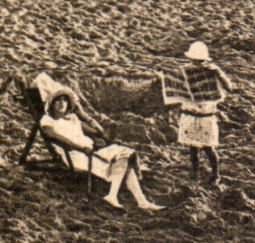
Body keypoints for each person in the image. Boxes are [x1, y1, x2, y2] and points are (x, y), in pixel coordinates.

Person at [38, 89, 162, 211]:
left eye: (64, 100)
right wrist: (80, 147)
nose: (61, 103)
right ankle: (128, 199)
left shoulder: (72, 119)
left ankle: (135, 200)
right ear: (51, 104)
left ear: (69, 105)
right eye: (57, 100)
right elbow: (55, 136)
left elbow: (99, 132)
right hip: (75, 155)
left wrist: (83, 115)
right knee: (123, 159)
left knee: (124, 157)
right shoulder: (47, 120)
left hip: (89, 153)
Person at [165, 41, 234, 187]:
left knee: (208, 147)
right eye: (195, 61)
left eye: (199, 61)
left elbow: (229, 87)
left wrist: (218, 73)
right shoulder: (184, 71)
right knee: (193, 147)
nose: (197, 64)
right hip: (190, 115)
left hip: (206, 116)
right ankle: (195, 172)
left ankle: (216, 174)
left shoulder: (213, 72)